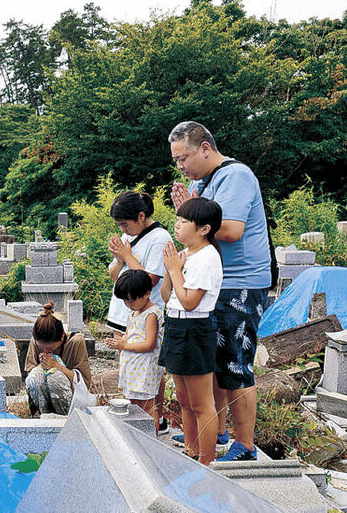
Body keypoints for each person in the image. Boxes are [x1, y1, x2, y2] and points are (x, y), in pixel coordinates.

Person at [169, 121, 272, 462]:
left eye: (184, 157)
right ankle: (218, 428)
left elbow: (229, 229)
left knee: (236, 364)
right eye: (177, 161)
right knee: (213, 361)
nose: (181, 166)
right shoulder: (201, 182)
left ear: (205, 148)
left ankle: (245, 445)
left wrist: (193, 212)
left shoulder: (235, 176)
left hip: (241, 282)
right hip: (216, 283)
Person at [159, 198, 224, 465]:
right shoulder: (187, 255)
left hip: (194, 327)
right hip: (176, 324)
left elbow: (190, 301)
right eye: (178, 219)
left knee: (201, 403)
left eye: (184, 221)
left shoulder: (207, 257)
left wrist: (176, 269)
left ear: (204, 229)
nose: (178, 224)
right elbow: (167, 296)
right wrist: (170, 269)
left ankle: (206, 461)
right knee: (184, 399)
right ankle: (190, 450)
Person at [106, 190, 173, 431]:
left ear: (141, 216)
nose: (123, 229)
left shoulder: (159, 237)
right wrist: (120, 258)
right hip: (126, 312)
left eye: (125, 224)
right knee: (132, 370)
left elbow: (151, 278)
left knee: (150, 370)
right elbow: (115, 276)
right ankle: (135, 418)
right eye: (119, 225)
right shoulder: (131, 238)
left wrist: (127, 255)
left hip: (146, 310)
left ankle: (156, 417)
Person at [105, 270, 164, 423]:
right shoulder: (134, 312)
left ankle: (151, 439)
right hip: (134, 368)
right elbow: (131, 334)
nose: (128, 304)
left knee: (147, 406)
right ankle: (139, 436)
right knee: (134, 405)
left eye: (131, 300)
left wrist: (124, 345)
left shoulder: (151, 314)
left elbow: (149, 344)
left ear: (147, 294)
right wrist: (120, 341)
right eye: (125, 301)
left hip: (145, 369)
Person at [24, 301, 92, 415]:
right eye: (42, 347)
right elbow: (29, 376)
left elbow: (85, 382)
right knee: (34, 378)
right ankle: (44, 415)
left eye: (50, 348)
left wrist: (56, 366)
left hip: (70, 399)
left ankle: (63, 417)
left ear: (61, 337)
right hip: (44, 398)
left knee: (54, 378)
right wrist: (41, 366)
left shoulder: (76, 341)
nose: (45, 351)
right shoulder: (35, 342)